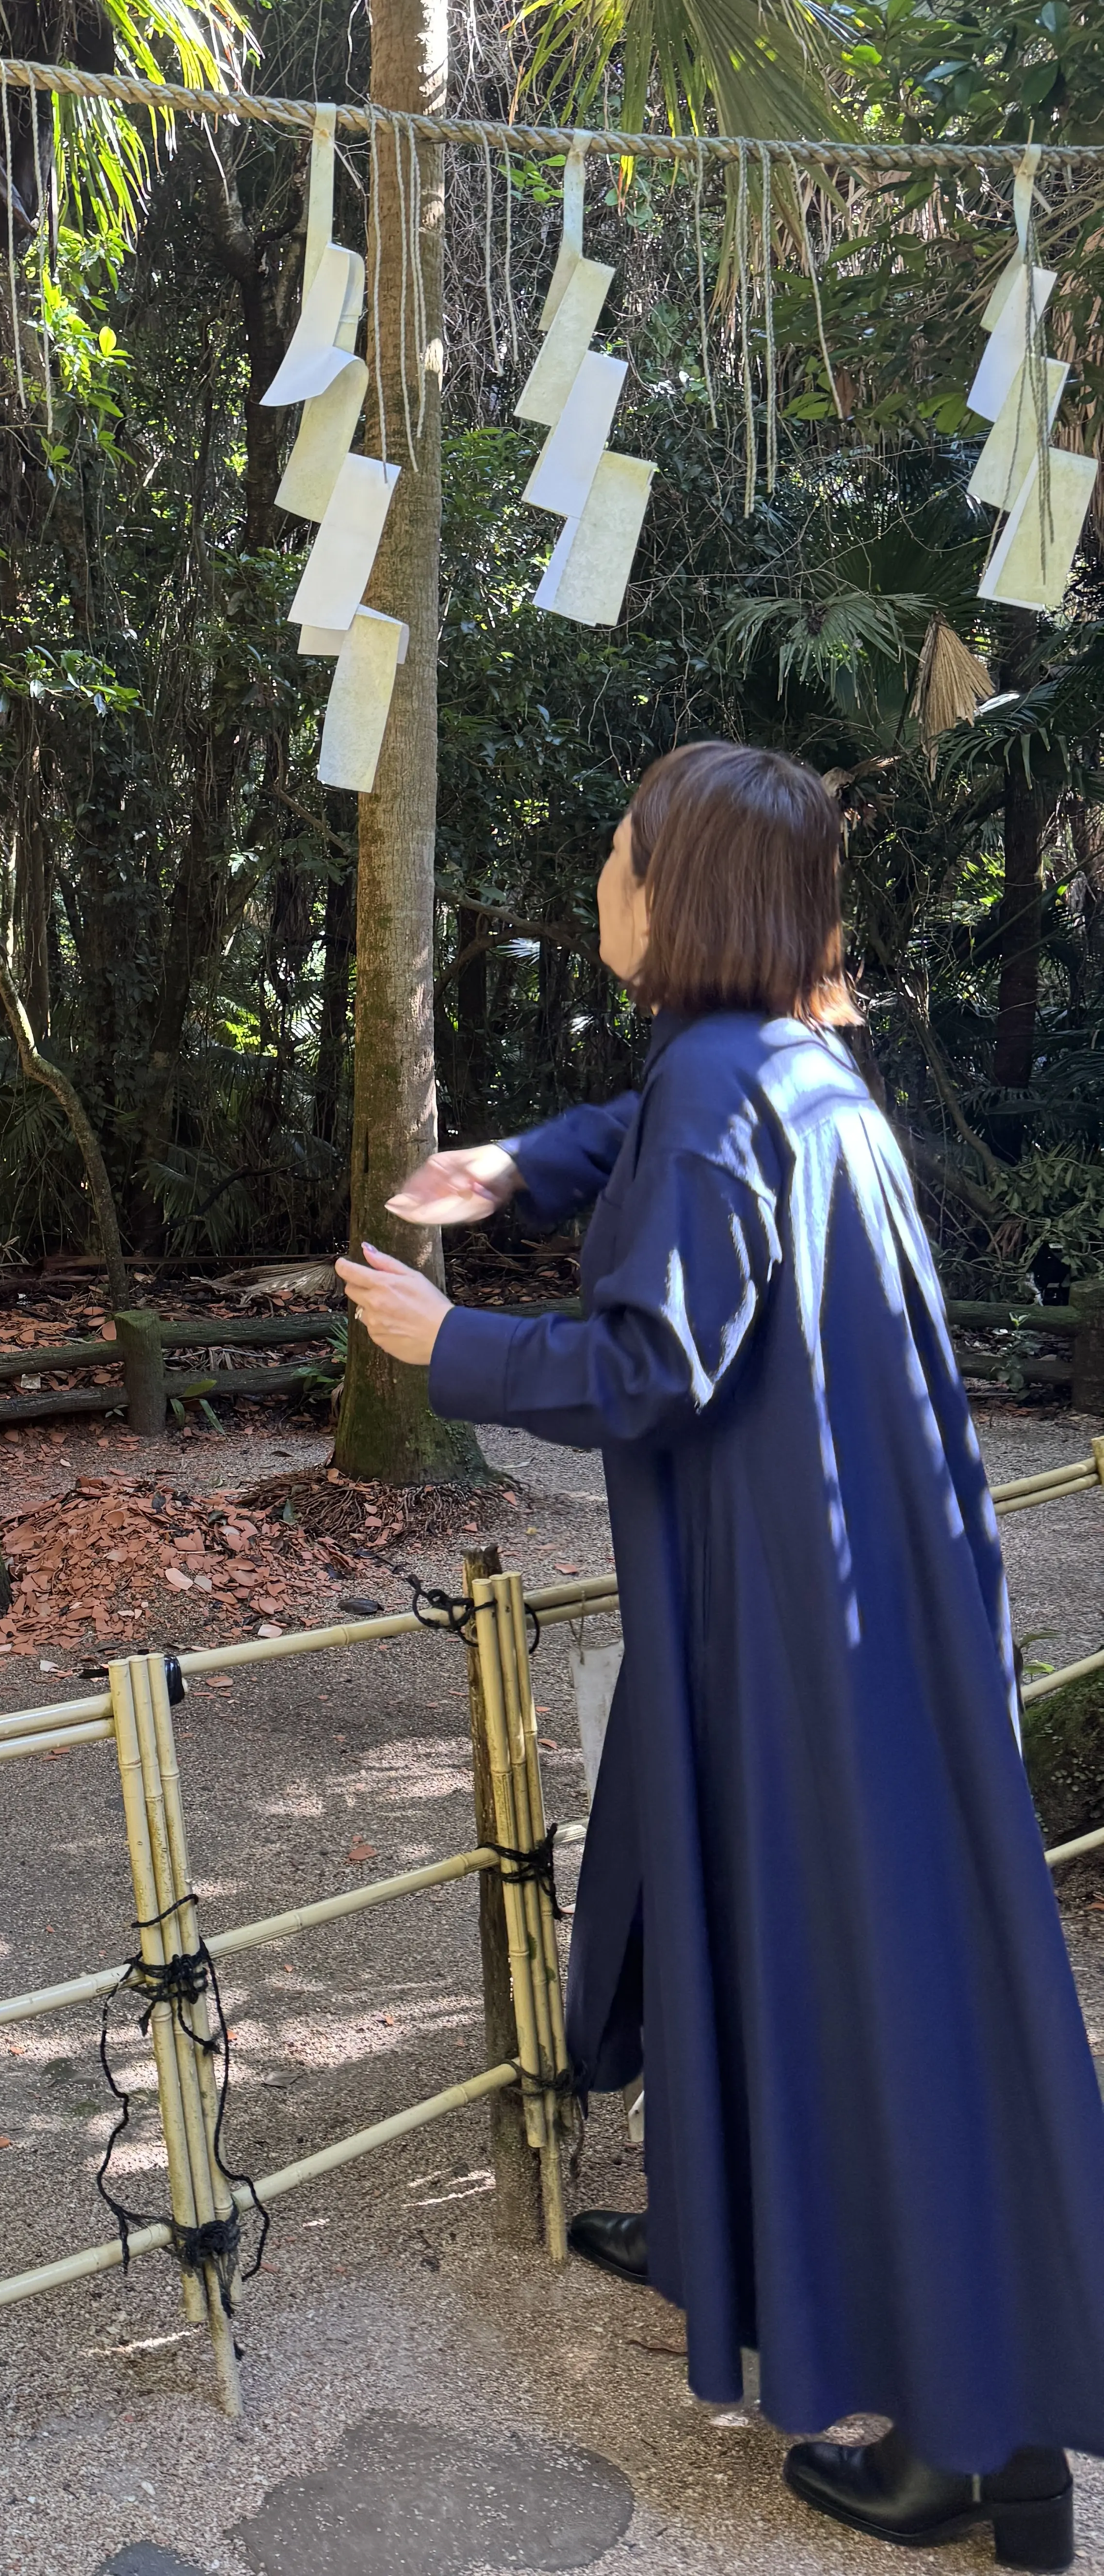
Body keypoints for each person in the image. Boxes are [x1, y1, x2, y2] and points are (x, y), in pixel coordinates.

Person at [336, 743, 1104, 2571]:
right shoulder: (795, 1066)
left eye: (621, 853)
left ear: (679, 899)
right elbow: (669, 1134)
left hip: (793, 1648)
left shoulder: (719, 1086)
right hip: (891, 1619)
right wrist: (520, 1164)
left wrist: (446, 1342)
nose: (603, 875)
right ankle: (1001, 2446)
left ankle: (944, 2444)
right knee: (917, 1983)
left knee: (841, 1994)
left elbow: (645, 1366)